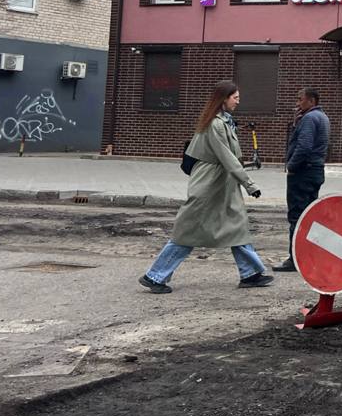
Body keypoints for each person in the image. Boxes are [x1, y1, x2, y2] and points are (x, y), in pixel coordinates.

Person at [139, 80, 273, 294]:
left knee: (237, 226)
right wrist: (249, 184)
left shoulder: (222, 121)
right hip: (210, 186)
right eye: (235, 98)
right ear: (224, 99)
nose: (238, 101)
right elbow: (227, 157)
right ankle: (155, 276)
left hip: (220, 184)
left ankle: (250, 273)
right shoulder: (216, 124)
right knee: (188, 231)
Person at [273, 87, 331, 272]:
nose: (297, 103)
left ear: (311, 101)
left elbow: (304, 146)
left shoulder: (310, 118)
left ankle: (295, 259)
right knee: (310, 215)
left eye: (300, 99)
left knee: (297, 217)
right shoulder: (322, 117)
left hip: (303, 173)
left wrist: (291, 166)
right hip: (316, 171)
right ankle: (309, 256)